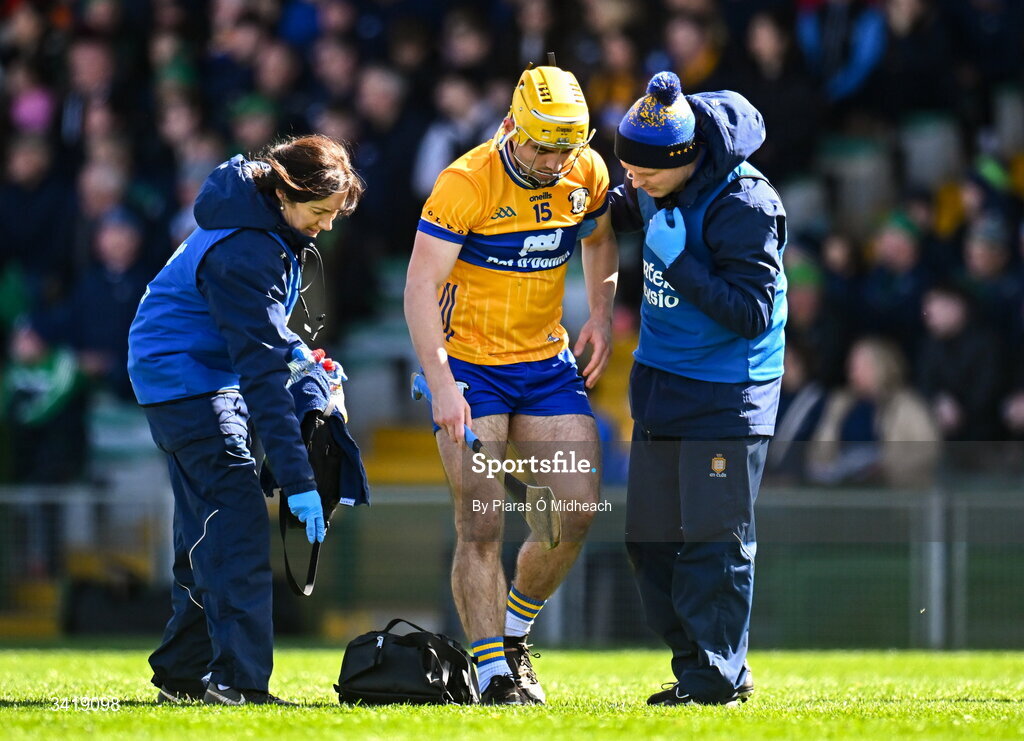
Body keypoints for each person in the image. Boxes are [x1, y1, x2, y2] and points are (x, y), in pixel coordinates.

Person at [403, 61, 618, 705]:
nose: (554, 160)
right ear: (511, 126)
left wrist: (601, 315)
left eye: (565, 147)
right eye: (541, 145)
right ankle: (493, 672)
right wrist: (441, 383)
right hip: (468, 366)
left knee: (575, 509)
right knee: (483, 521)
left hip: (544, 364)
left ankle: (515, 633)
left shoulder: (585, 170)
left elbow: (600, 239)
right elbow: (418, 286)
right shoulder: (465, 182)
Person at [127, 135, 363, 706]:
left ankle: (184, 675)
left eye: (334, 215)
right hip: (187, 383)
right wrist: (300, 483)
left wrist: (298, 353)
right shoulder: (245, 250)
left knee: (209, 532)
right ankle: (237, 684)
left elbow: (256, 333)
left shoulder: (258, 222)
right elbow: (259, 380)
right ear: (285, 194)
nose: (326, 226)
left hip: (195, 376)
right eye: (319, 213)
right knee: (235, 528)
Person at [608, 71, 786, 706]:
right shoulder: (655, 175)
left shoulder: (747, 206)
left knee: (714, 542)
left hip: (727, 393)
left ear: (684, 158)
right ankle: (698, 667)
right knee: (648, 540)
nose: (635, 183)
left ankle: (716, 680)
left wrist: (679, 265)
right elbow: (617, 203)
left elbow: (751, 313)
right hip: (661, 382)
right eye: (628, 168)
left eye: (645, 173)